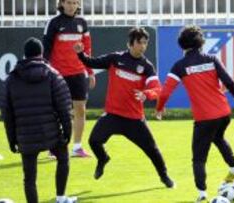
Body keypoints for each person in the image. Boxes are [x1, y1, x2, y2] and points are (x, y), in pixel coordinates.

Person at [73, 27, 175, 188]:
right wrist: (80, 54)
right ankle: (103, 159)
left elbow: (157, 89)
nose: (143, 46)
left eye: (145, 43)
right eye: (139, 42)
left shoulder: (146, 67)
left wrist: (146, 94)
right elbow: (91, 62)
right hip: (113, 115)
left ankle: (164, 177)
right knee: (94, 141)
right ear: (130, 43)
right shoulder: (115, 58)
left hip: (134, 119)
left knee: (152, 150)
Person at [155, 25, 234, 203]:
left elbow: (165, 92)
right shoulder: (211, 59)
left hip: (205, 118)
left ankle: (202, 194)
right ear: (200, 42)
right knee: (218, 138)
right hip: (224, 113)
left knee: (198, 158)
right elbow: (227, 79)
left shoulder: (180, 66)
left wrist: (159, 108)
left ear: (182, 44)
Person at [0, 37, 76, 203]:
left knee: (29, 178)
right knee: (63, 159)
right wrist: (67, 132)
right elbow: (64, 107)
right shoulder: (52, 75)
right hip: (51, 133)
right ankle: (61, 198)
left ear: (24, 55)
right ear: (41, 53)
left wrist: (12, 140)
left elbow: (7, 113)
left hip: (26, 136)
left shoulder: (11, 79)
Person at [43, 0, 95, 157]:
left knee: (80, 109)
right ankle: (54, 146)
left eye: (75, 2)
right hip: (58, 73)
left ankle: (77, 147)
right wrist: (45, 71)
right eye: (69, 2)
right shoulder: (53, 23)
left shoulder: (82, 23)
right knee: (57, 111)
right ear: (62, 4)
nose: (72, 6)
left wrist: (90, 71)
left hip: (79, 73)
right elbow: (46, 50)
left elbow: (87, 49)